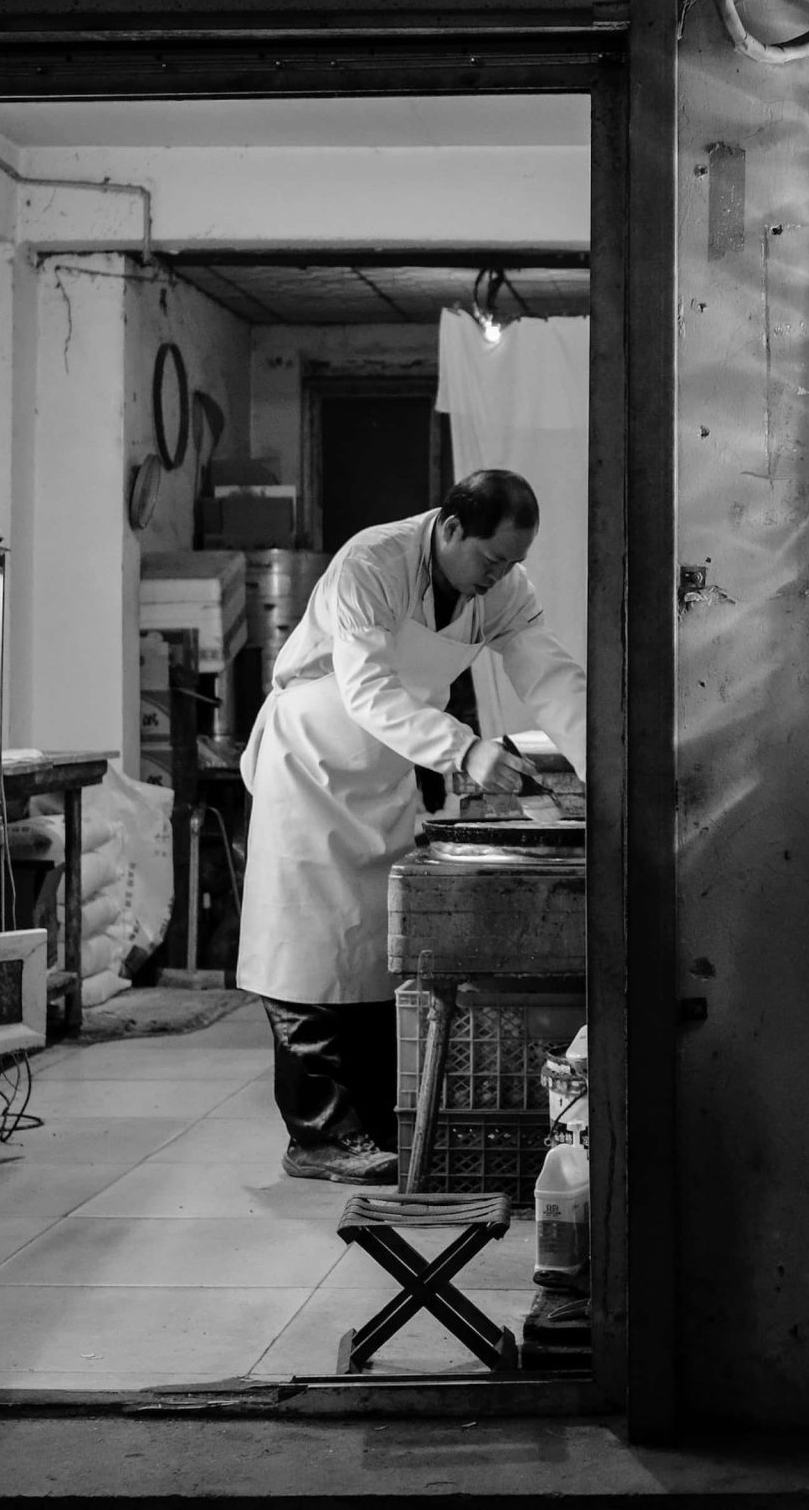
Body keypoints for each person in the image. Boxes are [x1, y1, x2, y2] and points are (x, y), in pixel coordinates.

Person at [238, 469, 585, 1183]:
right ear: (451, 529)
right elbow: (365, 688)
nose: (500, 577)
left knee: (371, 945)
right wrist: (464, 748)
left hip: (388, 765)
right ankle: (315, 1135)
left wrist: (603, 770)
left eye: (513, 564)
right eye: (491, 560)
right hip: (312, 760)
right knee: (304, 948)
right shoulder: (371, 563)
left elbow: (550, 678)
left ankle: (359, 1124)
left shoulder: (502, 590)